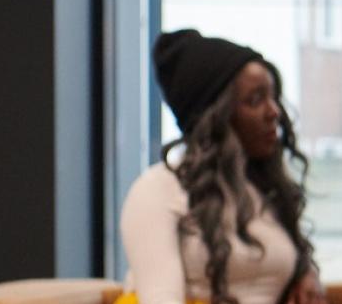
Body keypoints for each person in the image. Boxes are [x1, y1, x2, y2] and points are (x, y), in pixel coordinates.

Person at [121, 30, 323, 304]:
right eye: (255, 100)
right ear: (215, 116)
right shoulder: (157, 190)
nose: (274, 112)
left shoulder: (263, 191)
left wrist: (305, 273)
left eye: (273, 97)